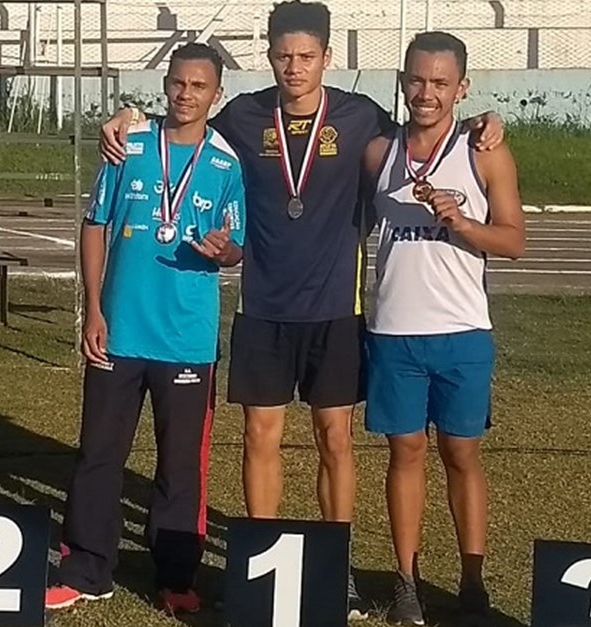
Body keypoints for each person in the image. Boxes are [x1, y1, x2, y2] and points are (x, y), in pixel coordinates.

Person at [99, 2, 505, 618]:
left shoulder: (362, 116)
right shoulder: (241, 115)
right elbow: (183, 119)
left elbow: (429, 129)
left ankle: (334, 565)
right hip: (262, 309)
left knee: (334, 439)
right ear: (268, 57)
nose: (294, 67)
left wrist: (485, 120)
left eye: (306, 56)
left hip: (336, 312)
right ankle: (263, 563)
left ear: (327, 58)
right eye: (283, 55)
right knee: (260, 437)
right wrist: (131, 115)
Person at [44, 42, 246, 616]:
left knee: (180, 466)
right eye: (178, 84)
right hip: (119, 331)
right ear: (166, 85)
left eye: (199, 86)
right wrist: (93, 308)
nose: (186, 95)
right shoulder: (127, 146)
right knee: (98, 455)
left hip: (187, 339)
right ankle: (87, 568)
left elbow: (237, 246)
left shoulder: (227, 166)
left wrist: (225, 251)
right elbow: (95, 224)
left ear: (216, 94)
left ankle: (176, 579)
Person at [361, 31, 526, 626]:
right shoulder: (379, 152)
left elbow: (514, 241)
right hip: (394, 333)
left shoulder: (484, 151)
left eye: (439, 82)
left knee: (461, 454)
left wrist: (463, 224)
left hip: (462, 332)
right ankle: (407, 581)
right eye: (416, 80)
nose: (425, 93)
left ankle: (472, 582)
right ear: (402, 81)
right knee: (404, 454)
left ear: (463, 87)